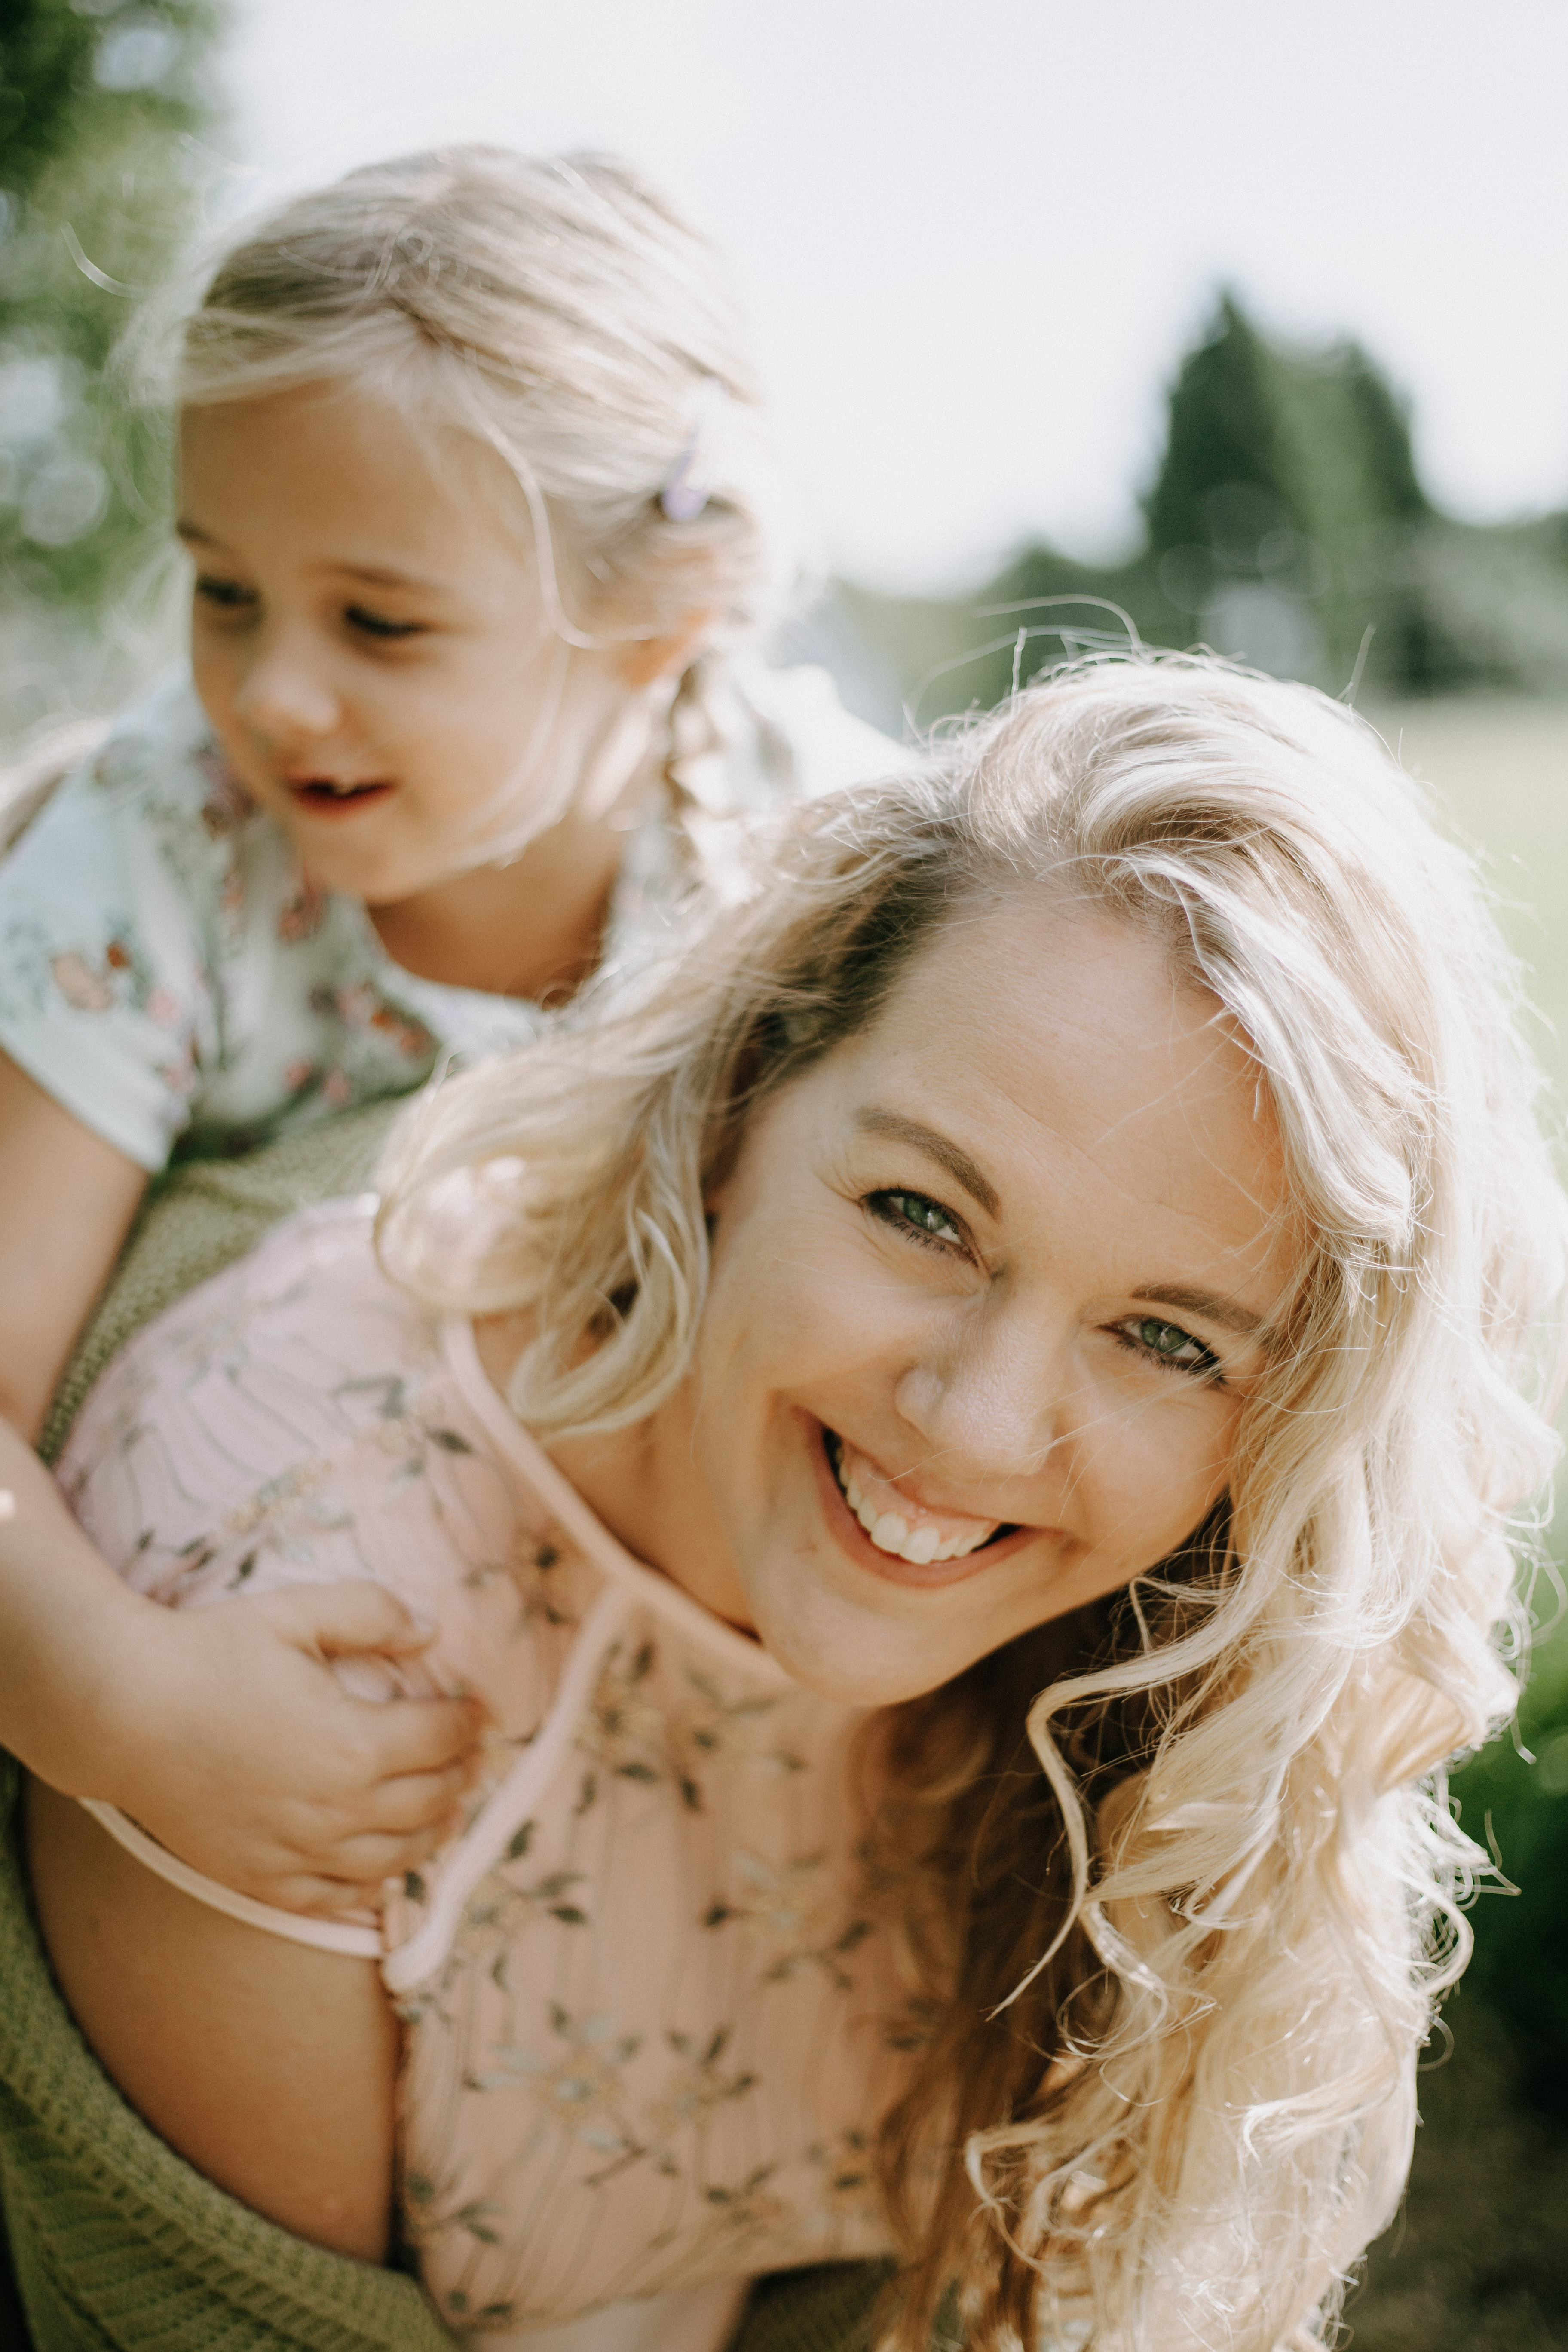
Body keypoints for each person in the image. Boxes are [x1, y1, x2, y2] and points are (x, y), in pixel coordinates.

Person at [23, 653, 1565, 2350]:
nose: (976, 1425)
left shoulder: (1176, 1661)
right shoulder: (292, 1612)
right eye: (921, 1213)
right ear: (743, 1095)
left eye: (1164, 1338)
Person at [0, 146, 896, 1920]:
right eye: (220, 588)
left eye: (379, 622)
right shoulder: (161, 859)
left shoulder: (824, 856)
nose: (270, 692)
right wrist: (120, 1705)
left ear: (662, 618)